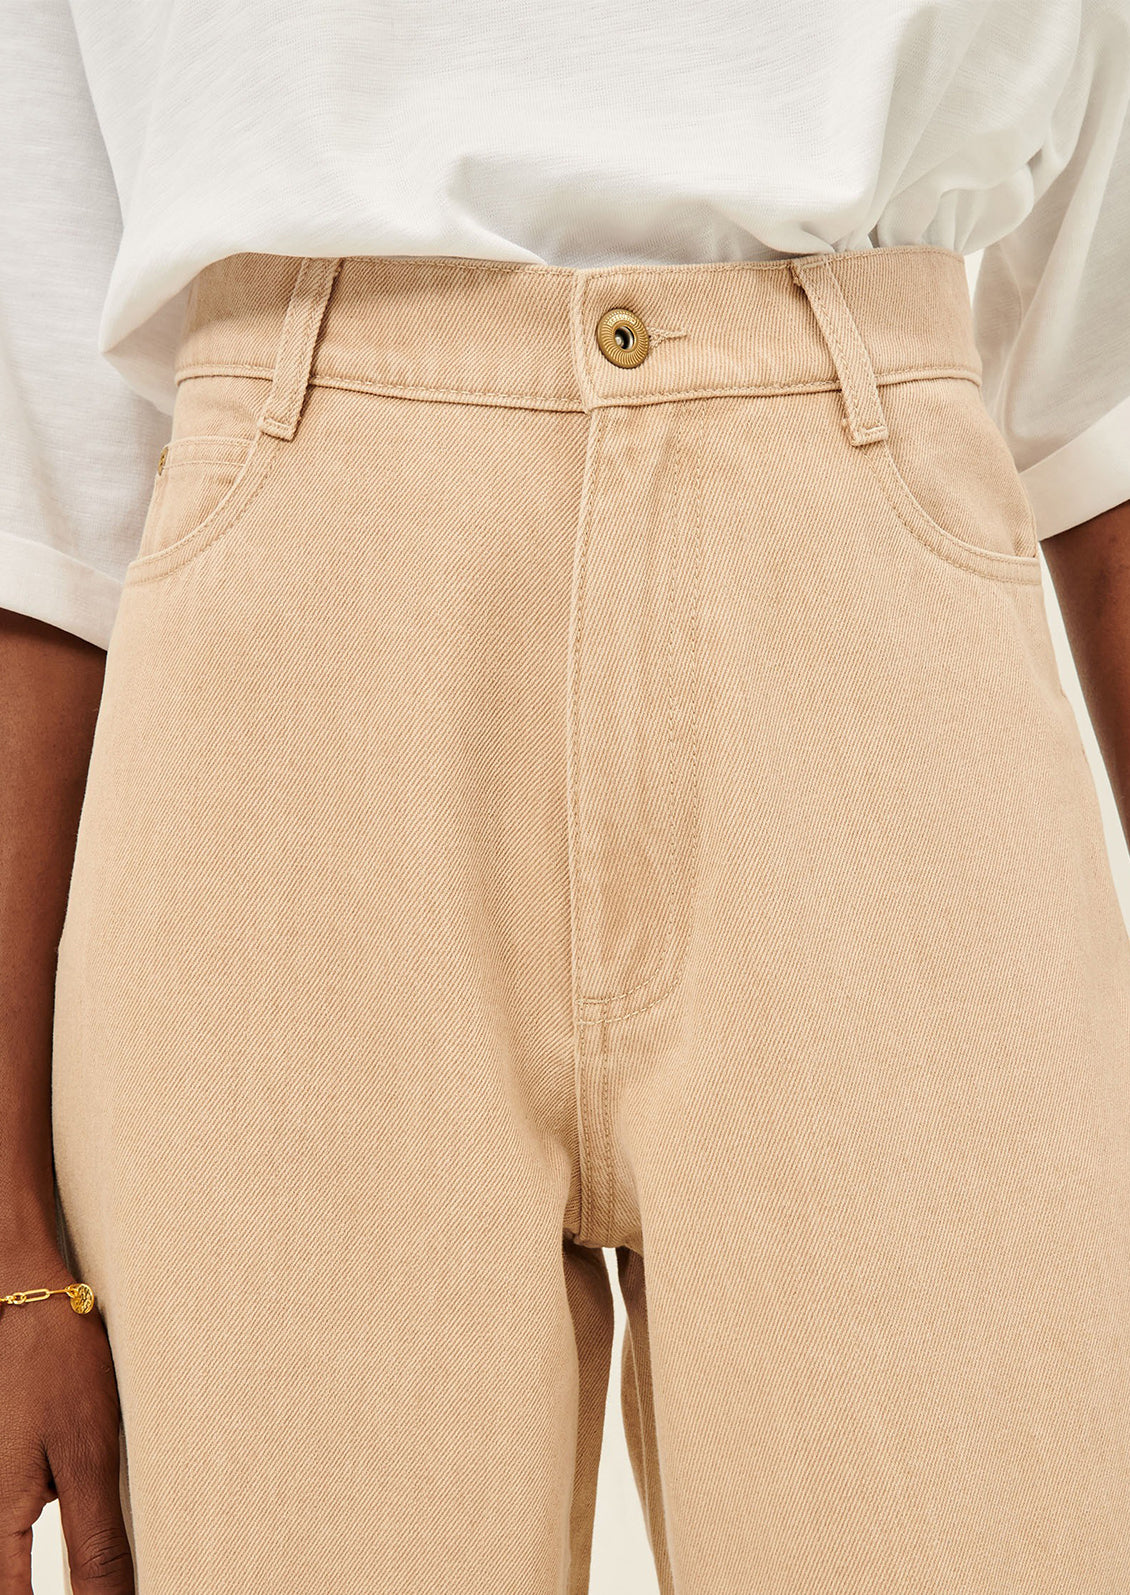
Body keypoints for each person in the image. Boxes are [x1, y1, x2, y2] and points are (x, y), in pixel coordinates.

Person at [2, 2, 1130, 1592]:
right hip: (289, 710)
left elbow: (1098, 397)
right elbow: (37, 495)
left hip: (879, 657)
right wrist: (9, 1251)